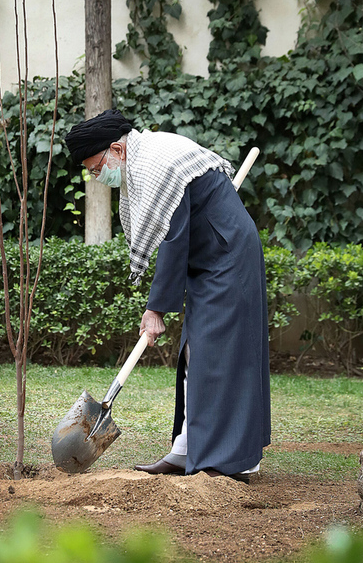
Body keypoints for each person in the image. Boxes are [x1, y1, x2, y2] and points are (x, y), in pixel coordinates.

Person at [65, 109, 271, 482]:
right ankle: (186, 449)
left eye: (96, 169)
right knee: (196, 352)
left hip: (228, 257)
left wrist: (156, 309)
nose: (97, 177)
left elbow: (173, 240)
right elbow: (172, 233)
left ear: (116, 149)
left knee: (224, 356)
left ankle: (238, 461)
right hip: (209, 258)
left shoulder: (155, 164)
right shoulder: (142, 160)